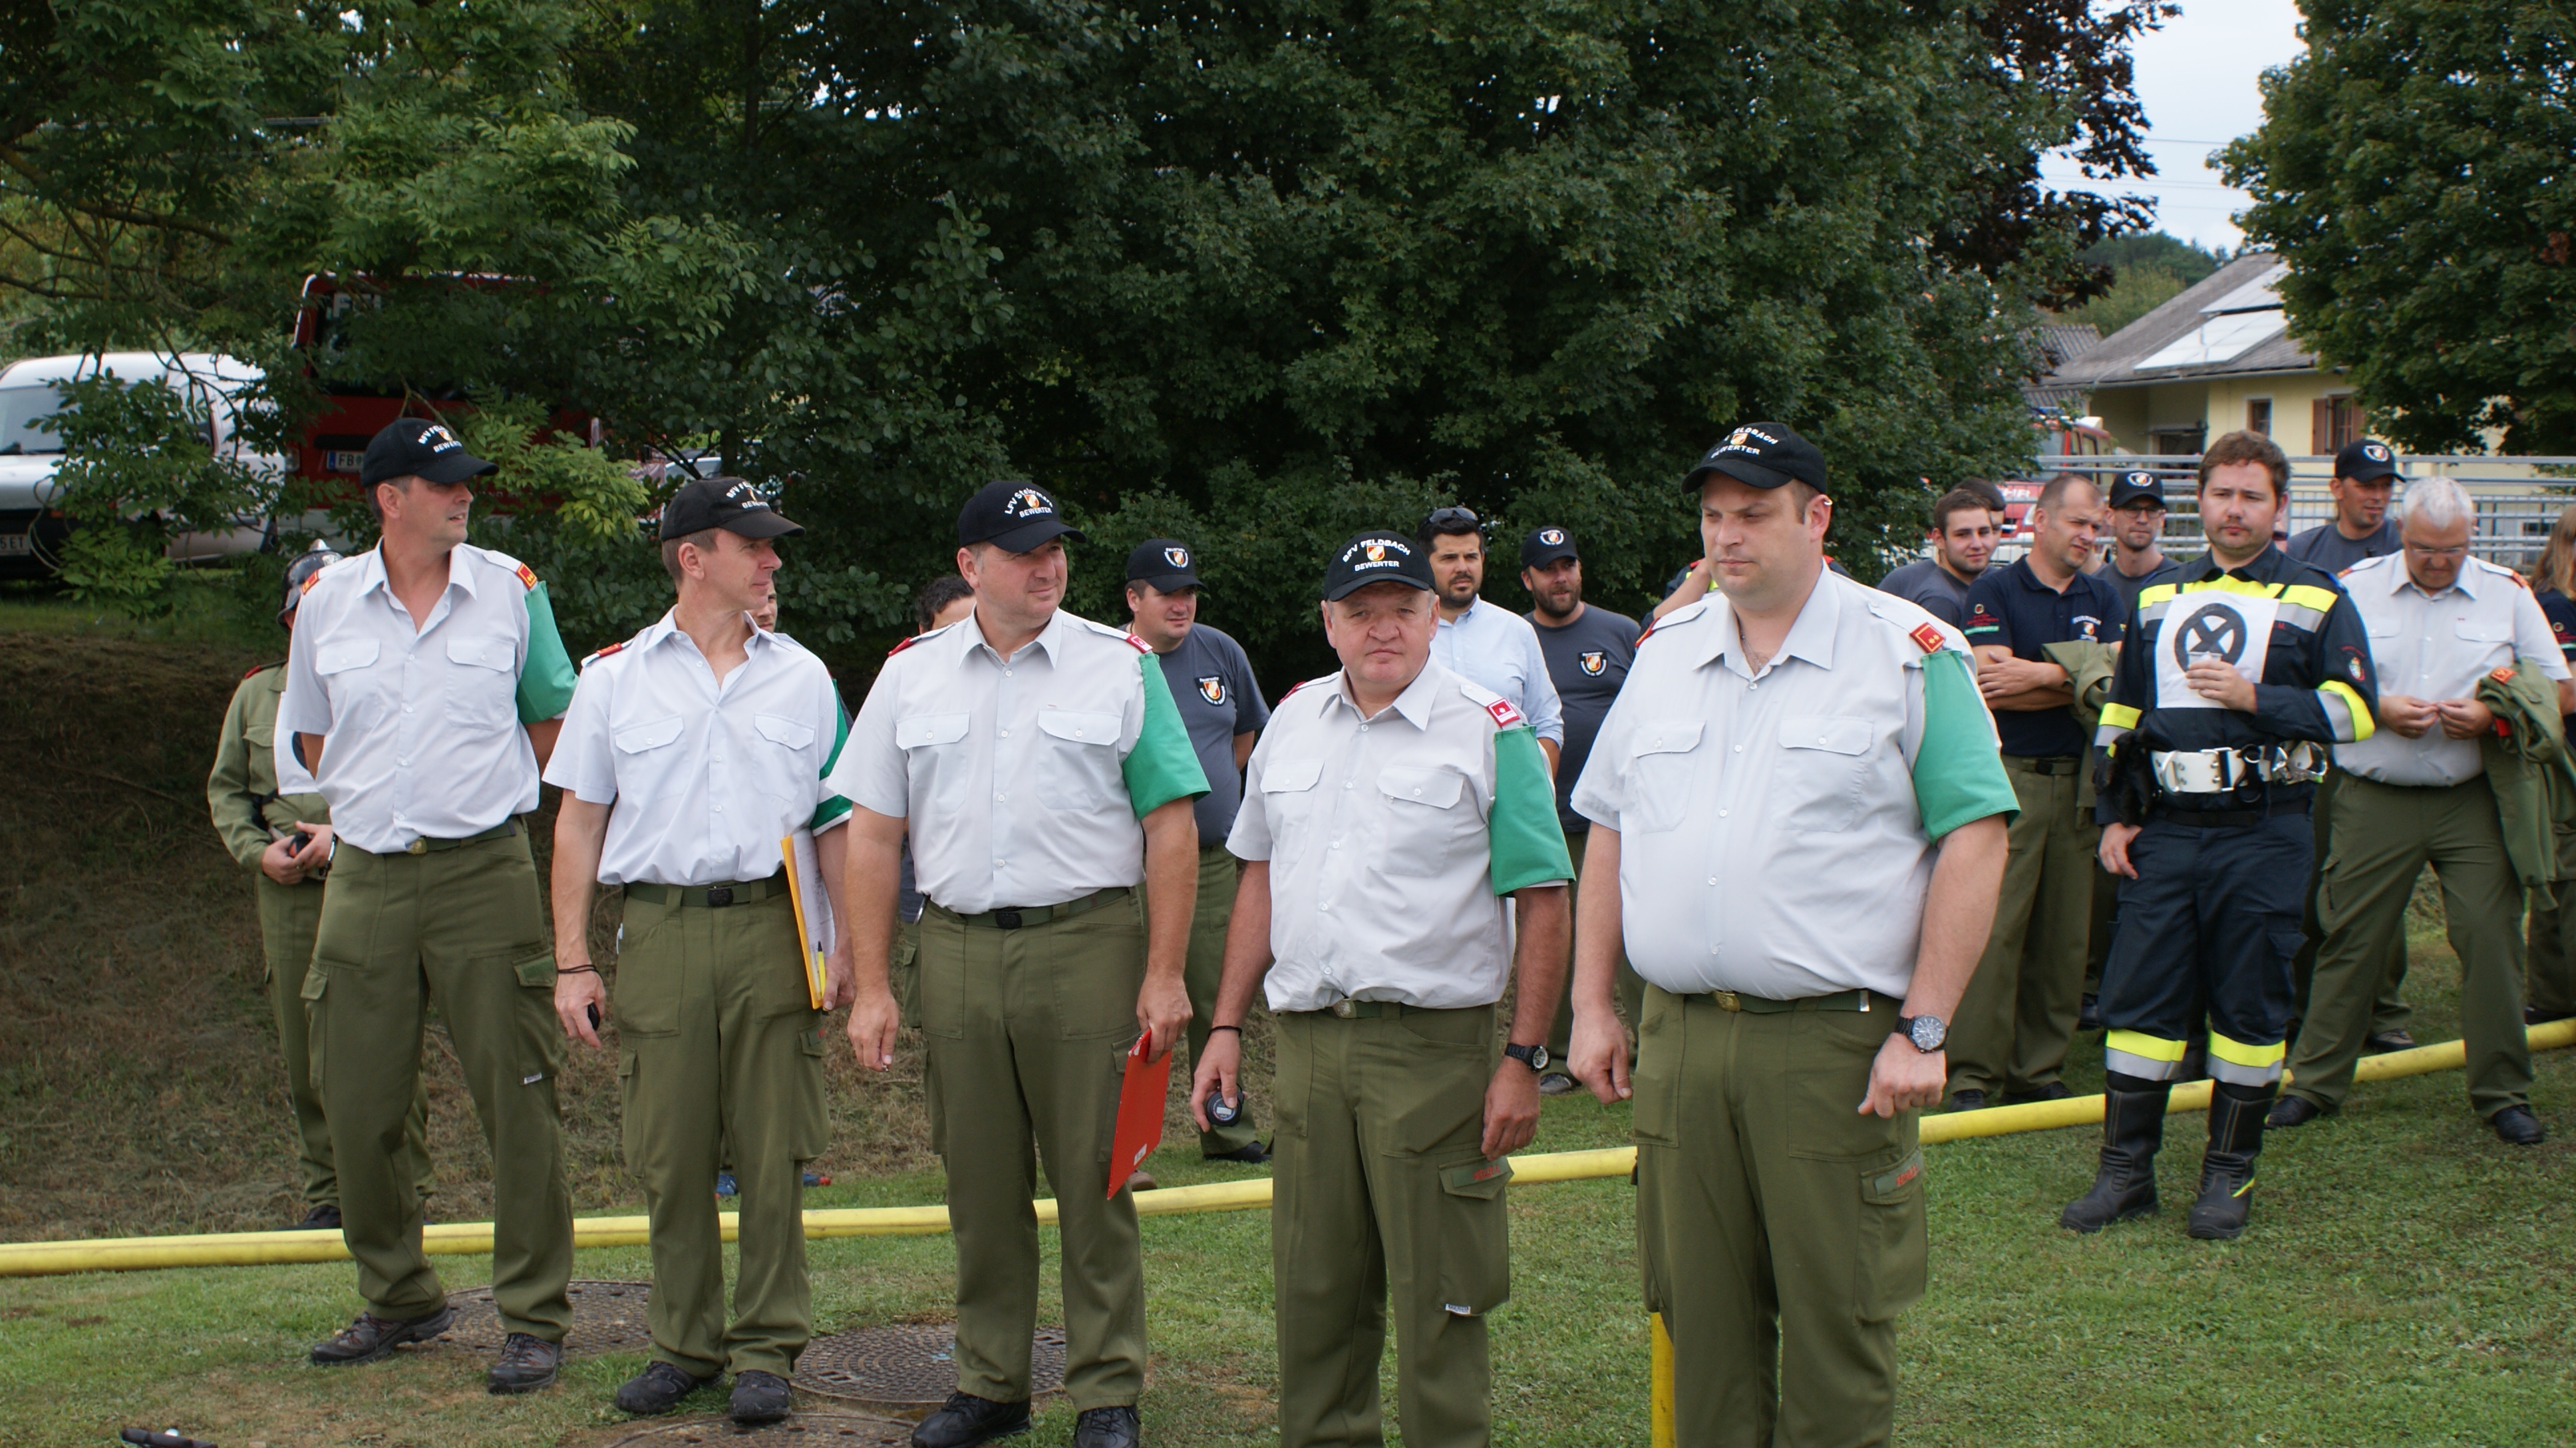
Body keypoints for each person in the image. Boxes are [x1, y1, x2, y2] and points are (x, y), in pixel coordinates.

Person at [1565, 422, 2015, 1448]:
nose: (1728, 536)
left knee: (1835, 1328)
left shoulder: (1908, 652)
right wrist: (1592, 1005)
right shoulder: (1666, 655)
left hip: (1833, 1048)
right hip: (1683, 1043)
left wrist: (1926, 1027)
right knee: (1701, 1324)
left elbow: (1977, 837)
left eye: (1754, 514)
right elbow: (1610, 830)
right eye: (1714, 516)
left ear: (1817, 518)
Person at [831, 479, 1208, 1448]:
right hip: (955, 948)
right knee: (980, 1183)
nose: (1047, 567)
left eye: (1055, 549)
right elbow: (872, 835)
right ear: (969, 565)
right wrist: (872, 983)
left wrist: (1165, 973)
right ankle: (990, 1383)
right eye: (1023, 551)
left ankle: (1107, 1391)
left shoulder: (1118, 666)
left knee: (1095, 1181)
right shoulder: (910, 675)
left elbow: (1171, 827)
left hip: (1087, 944)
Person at [1190, 529, 1572, 1448]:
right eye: (1360, 612)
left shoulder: (1491, 730)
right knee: (1315, 1295)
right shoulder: (1291, 723)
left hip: (1432, 1053)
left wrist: (1524, 1058)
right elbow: (1257, 877)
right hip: (1310, 1050)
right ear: (1329, 623)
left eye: (1402, 608)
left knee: (1443, 1298)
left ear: (1434, 617)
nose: (1383, 629)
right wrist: (1225, 1024)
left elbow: (1544, 898)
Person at [545, 476, 858, 1423]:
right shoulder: (613, 680)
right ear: (693, 558)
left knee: (773, 1150)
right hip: (662, 929)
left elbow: (835, 822)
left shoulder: (803, 675)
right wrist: (571, 959)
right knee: (670, 1153)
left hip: (774, 927)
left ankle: (766, 1349)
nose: (771, 559)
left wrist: (848, 947)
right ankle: (683, 1345)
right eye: (752, 544)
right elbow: (578, 824)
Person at [276, 417, 580, 1390]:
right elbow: (311, 738)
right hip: (365, 873)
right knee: (357, 1098)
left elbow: (553, 727)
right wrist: (375, 804)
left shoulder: (511, 591)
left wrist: (471, 798)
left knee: (518, 1096)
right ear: (389, 498)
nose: (465, 495)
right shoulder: (326, 602)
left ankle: (533, 1315)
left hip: (481, 872)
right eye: (444, 483)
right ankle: (399, 1297)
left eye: (466, 481)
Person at [2065, 430, 2377, 1242]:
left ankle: (2226, 1177)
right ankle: (2124, 1174)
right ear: (2199, 501)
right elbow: (2121, 711)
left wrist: (2254, 698)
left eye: (2250, 496)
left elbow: (2355, 711)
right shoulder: (2157, 597)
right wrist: (2114, 812)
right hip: (2167, 829)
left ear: (2279, 508)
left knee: (2248, 1003)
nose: (2233, 509)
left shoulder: (2316, 597)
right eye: (2220, 493)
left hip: (2264, 829)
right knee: (2137, 1003)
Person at [2269, 478, 2565, 1145]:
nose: (2439, 561)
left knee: (2489, 938)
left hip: (2471, 797)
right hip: (2375, 795)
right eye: (2426, 548)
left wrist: (2491, 715)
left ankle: (2502, 1093)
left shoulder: (2505, 592)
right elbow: (2305, 681)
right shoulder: (2353, 588)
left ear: (2471, 538)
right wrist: (2377, 709)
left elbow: (2559, 688)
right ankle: (2313, 1083)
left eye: (2453, 549)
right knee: (2349, 937)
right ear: (2402, 534)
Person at [208, 544, 433, 1231]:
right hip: (289, 893)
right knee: (306, 1047)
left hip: (371, 875)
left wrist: (340, 840)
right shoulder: (257, 695)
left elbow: (415, 781)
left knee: (386, 1039)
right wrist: (259, 854)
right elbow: (228, 790)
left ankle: (403, 1185)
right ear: (289, 620)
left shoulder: (390, 680)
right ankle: (328, 1193)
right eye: (305, 608)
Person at [1949, 476, 2120, 1111]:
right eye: (2077, 523)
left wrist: (2044, 672)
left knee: (2064, 936)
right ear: (2041, 521)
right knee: (1995, 930)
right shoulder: (1995, 590)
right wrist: (2083, 675)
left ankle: (2039, 1068)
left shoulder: (2104, 594)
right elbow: (1994, 683)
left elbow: (2121, 679)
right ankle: (1973, 1072)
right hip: (2012, 777)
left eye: (2095, 526)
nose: (2088, 536)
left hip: (2078, 782)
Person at [1124, 539, 1272, 1163]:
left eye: (1188, 593)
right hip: (1127, 870)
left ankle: (1226, 1127)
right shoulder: (1111, 660)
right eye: (1167, 594)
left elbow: (1245, 733)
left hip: (1211, 863)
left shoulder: (1221, 651)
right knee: (1122, 1009)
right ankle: (1120, 1145)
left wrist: (1204, 796)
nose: (1181, 604)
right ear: (1134, 599)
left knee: (1215, 999)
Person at [1518, 525, 1644, 1095]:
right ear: (1528, 580)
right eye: (1548, 569)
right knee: (1557, 934)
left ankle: (1652, 1046)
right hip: (1549, 812)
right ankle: (1562, 1055)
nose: (1560, 577)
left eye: (1567, 565)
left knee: (1637, 929)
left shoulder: (1620, 632)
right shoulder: (1516, 637)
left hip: (1621, 815)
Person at [2076, 470, 2182, 1031]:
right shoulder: (2095, 586)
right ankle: (2096, 989)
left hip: (2167, 749)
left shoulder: (2182, 584)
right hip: (2108, 745)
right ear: (2110, 517)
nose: (2142, 519)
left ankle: (2151, 988)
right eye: (2131, 509)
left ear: (2163, 518)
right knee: (2101, 886)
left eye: (2152, 510)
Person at [891, 576, 979, 1029]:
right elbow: (879, 808)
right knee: (938, 1020)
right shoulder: (904, 686)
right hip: (929, 891)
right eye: (949, 629)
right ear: (923, 631)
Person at [1418, 506, 1565, 769]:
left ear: (1483, 559)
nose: (1462, 568)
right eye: (1449, 558)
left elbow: (1546, 725)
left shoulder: (1516, 631)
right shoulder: (1405, 635)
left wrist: (1532, 790)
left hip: (1508, 787)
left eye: (1471, 557)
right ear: (1425, 563)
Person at [2523, 503, 2576, 1027]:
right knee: (2561, 877)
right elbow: (2562, 694)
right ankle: (2553, 996)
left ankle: (2554, 996)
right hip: (2564, 760)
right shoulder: (2555, 605)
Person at [1877, 485, 2002, 628]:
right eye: (1963, 535)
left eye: (1984, 532)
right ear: (1939, 539)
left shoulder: (1996, 585)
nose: (1977, 544)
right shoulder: (1940, 601)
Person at [2283, 439, 2404, 573]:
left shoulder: (2406, 545)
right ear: (2337, 488)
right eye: (2368, 486)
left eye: (2386, 486)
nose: (2378, 496)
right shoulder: (2301, 551)